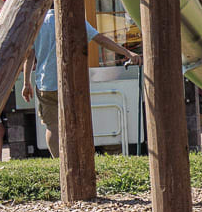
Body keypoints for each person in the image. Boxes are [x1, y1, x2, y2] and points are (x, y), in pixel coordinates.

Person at [22, 9, 137, 154]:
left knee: (52, 127)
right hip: (71, 83)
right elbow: (100, 39)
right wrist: (127, 53)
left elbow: (29, 55)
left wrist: (26, 82)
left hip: (46, 83)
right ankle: (79, 157)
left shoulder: (38, 23)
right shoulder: (72, 18)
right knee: (76, 123)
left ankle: (58, 161)